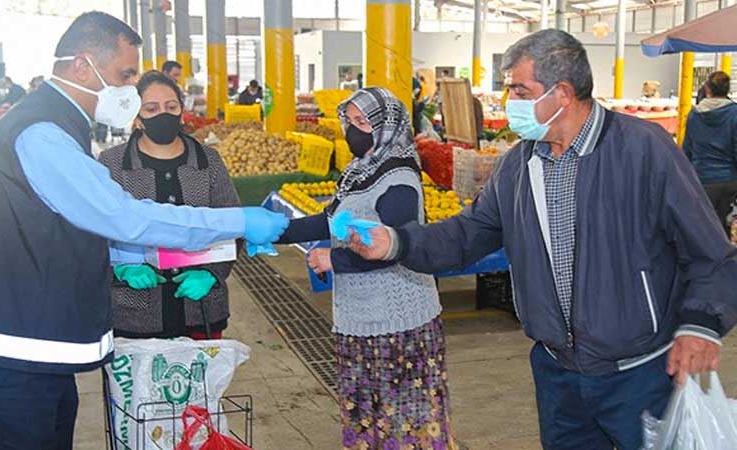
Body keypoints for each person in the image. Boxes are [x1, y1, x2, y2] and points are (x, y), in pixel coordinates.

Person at [350, 30, 737, 450]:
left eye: (519, 88)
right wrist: (397, 243)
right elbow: (467, 233)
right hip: (558, 374)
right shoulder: (519, 164)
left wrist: (701, 325)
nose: (510, 99)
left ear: (563, 93)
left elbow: (711, 254)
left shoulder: (644, 150)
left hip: (639, 374)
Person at [0, 12, 287, 450]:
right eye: (125, 76)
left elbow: (63, 227)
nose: (129, 90)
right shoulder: (42, 133)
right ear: (84, 66)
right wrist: (237, 220)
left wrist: (130, 259)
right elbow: (125, 217)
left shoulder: (59, 126)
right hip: (12, 356)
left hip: (35, 353)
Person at [277, 87, 457, 450]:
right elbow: (330, 221)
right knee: (368, 419)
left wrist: (334, 259)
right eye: (351, 120)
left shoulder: (400, 180)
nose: (353, 129)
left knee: (404, 422)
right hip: (360, 320)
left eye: (363, 122)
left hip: (398, 326)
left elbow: (392, 248)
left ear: (386, 126)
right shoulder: (361, 171)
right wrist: (274, 229)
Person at [100, 71, 239, 340]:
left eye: (171, 107)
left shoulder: (207, 160)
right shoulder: (112, 164)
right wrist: (120, 268)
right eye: (151, 109)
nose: (163, 114)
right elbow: (94, 229)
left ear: (181, 111)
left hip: (201, 312)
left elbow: (232, 224)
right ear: (137, 118)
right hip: (134, 315)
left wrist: (212, 273)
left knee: (198, 381)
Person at [683, 70, 737, 235]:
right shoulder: (735, 113)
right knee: (725, 225)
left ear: (707, 89)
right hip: (730, 180)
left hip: (702, 179)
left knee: (704, 229)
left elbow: (687, 150)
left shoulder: (694, 115)